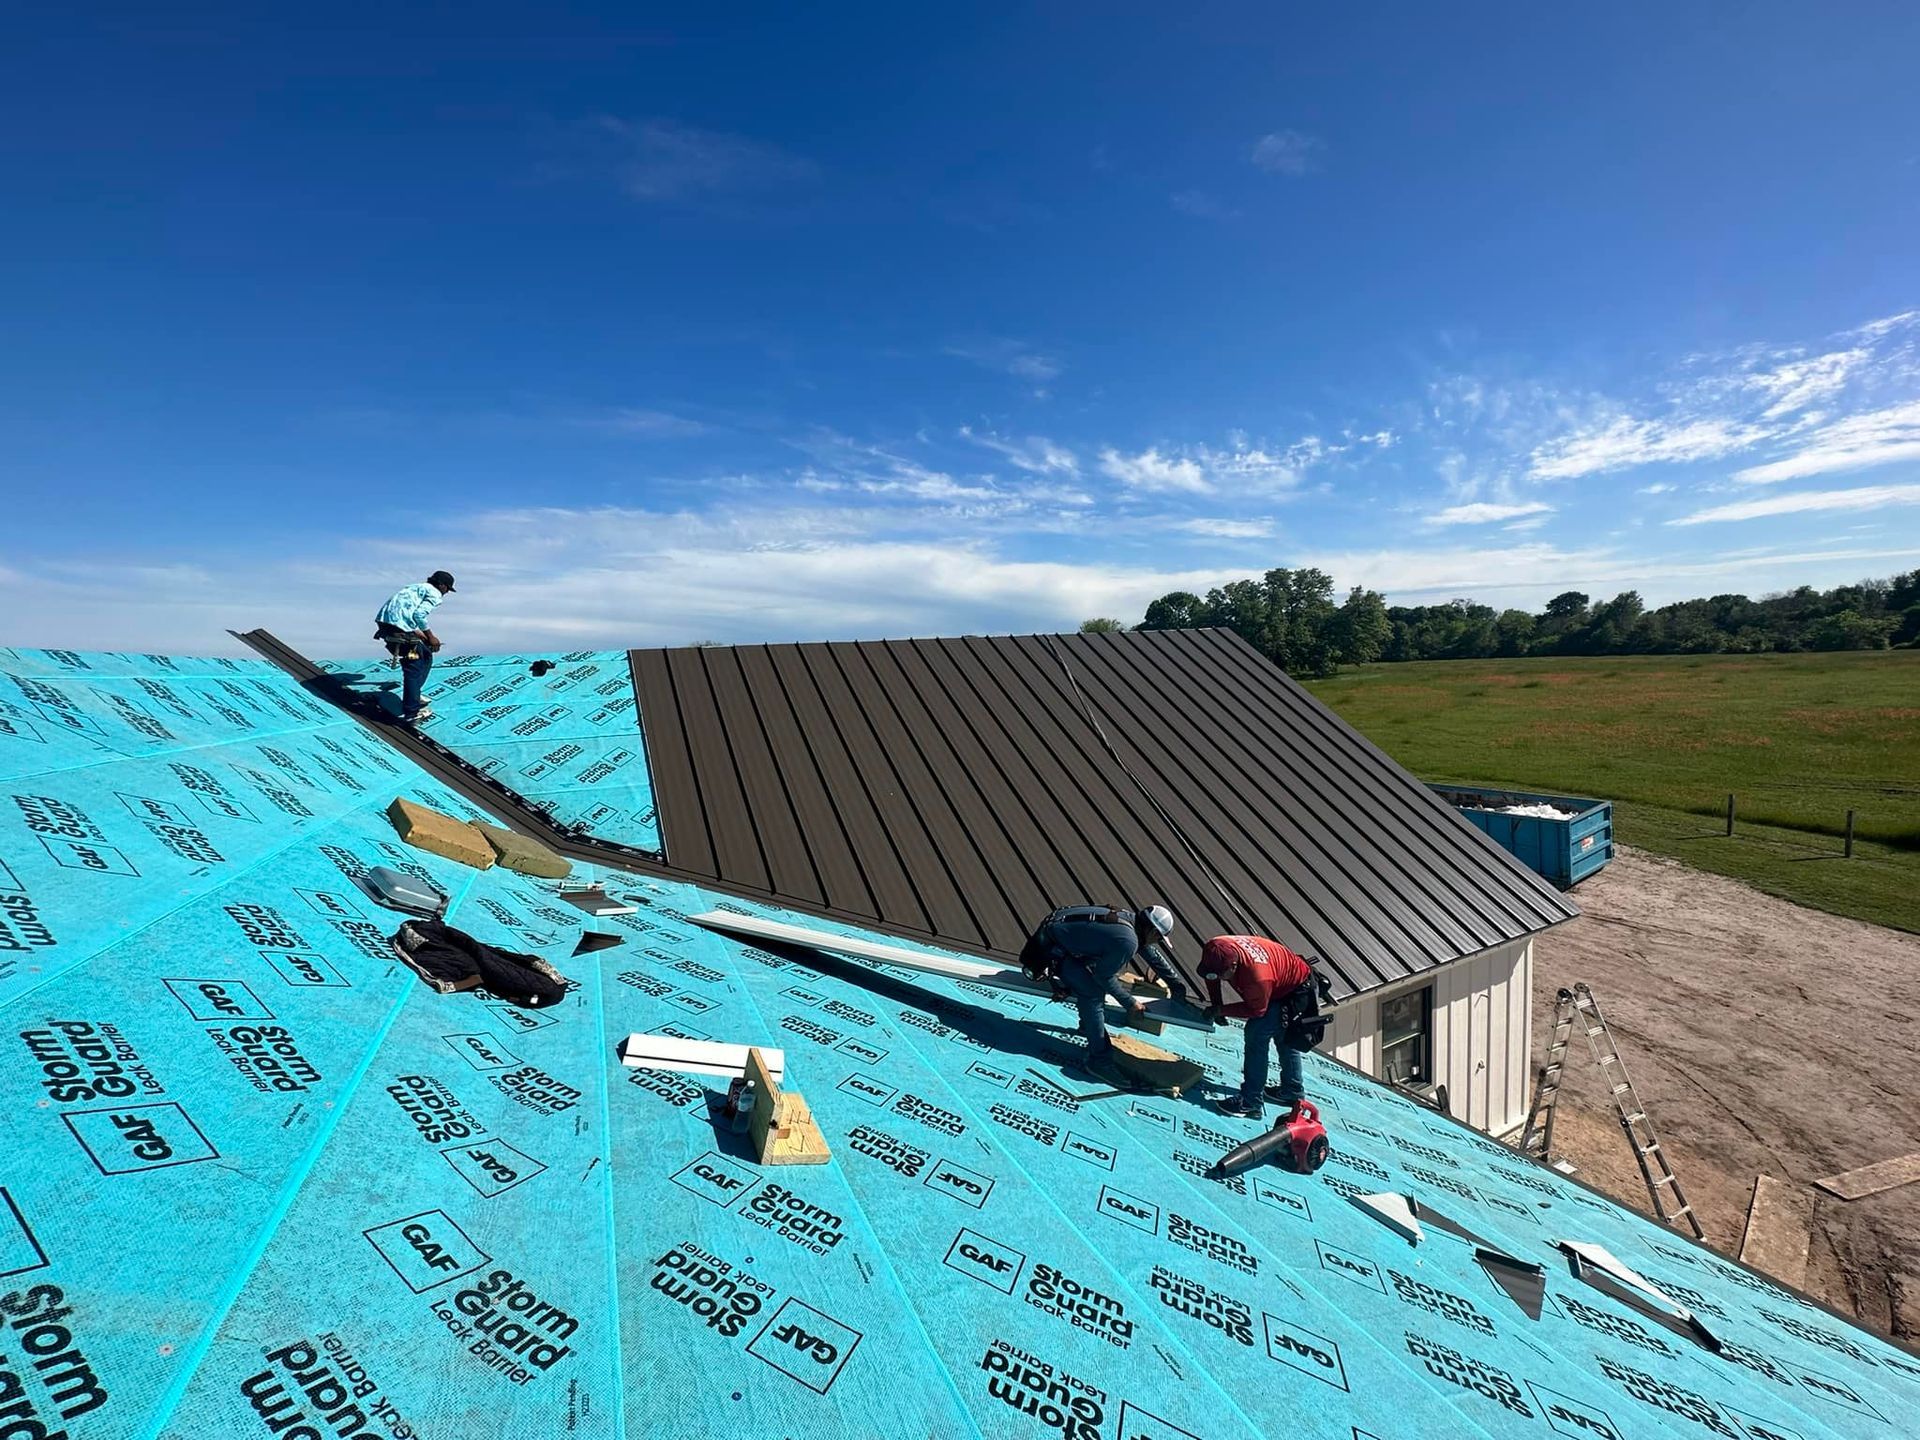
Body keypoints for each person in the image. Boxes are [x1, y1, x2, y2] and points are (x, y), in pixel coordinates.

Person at [1021, 903, 1181, 1082]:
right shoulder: (1128, 940)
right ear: (1152, 932)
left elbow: (1151, 954)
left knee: (1101, 971)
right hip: (1051, 952)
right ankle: (1099, 1061)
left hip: (1058, 938)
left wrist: (1176, 985)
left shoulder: (1130, 921)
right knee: (1093, 993)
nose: (1157, 942)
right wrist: (1130, 1003)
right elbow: (1103, 977)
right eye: (1159, 939)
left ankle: (1088, 1026)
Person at [1199, 934, 1317, 1120]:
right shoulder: (1215, 947)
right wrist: (1217, 1005)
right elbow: (1211, 975)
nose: (1219, 978)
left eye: (1222, 975)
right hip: (1283, 976)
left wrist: (1220, 1010)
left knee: (1257, 1033)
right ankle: (1292, 1091)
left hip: (1296, 988)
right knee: (1283, 1035)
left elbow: (1257, 1010)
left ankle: (1250, 1102)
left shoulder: (1257, 978)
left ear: (1234, 966)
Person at [374, 570, 455, 724]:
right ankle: (411, 712)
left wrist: (422, 637)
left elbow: (405, 617)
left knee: (425, 655)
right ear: (442, 585)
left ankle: (414, 694)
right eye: (447, 589)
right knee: (415, 664)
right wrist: (430, 636)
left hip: (389, 627)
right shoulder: (435, 593)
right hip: (399, 632)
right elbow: (418, 615)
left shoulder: (413, 587)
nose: (446, 593)